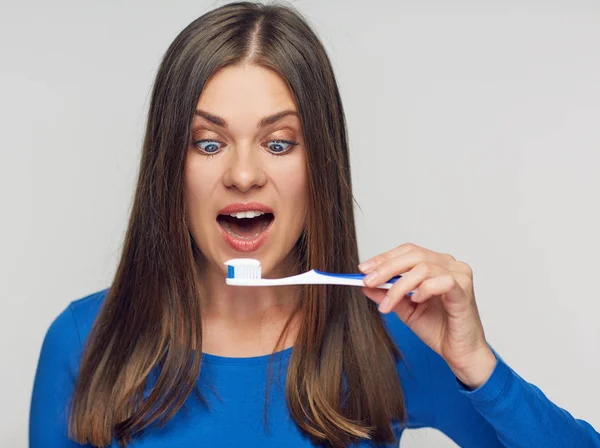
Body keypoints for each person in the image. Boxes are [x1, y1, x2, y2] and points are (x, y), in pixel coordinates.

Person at [29, 2, 599, 447]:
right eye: (208, 143)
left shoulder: (392, 333)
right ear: (167, 168)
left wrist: (477, 364)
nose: (245, 173)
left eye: (279, 143)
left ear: (320, 164)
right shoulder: (84, 341)